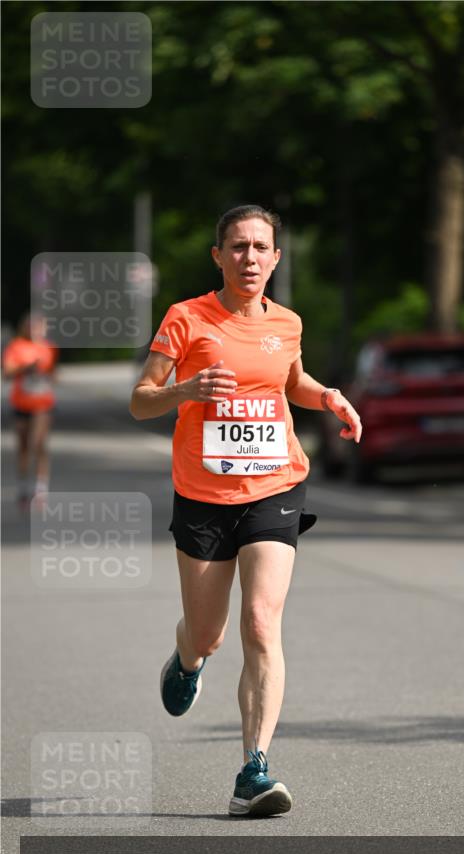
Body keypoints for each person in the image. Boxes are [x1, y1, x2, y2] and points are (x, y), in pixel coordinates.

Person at [130, 204, 362, 817]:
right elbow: (141, 401)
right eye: (238, 247)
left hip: (274, 484)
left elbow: (292, 382)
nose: (250, 257)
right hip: (203, 494)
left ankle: (253, 772)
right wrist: (185, 389)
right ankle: (186, 659)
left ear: (276, 258)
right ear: (219, 256)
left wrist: (329, 396)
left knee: (261, 622)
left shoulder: (287, 322)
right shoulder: (186, 318)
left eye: (261, 247)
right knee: (208, 632)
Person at [1, 312, 59, 508]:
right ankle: (23, 486)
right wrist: (26, 368)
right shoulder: (16, 346)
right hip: (21, 403)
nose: (36, 330)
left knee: (39, 444)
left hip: (42, 403)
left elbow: (53, 374)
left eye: (39, 327)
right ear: (25, 328)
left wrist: (49, 376)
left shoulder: (49, 347)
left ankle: (41, 489)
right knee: (24, 446)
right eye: (32, 327)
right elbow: (7, 373)